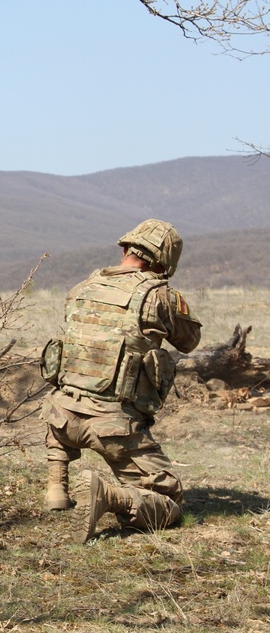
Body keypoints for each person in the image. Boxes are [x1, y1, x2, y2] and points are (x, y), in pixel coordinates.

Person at [38, 219, 202, 543]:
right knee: (169, 502)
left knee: (66, 393)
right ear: (165, 262)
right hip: (112, 428)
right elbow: (189, 340)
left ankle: (56, 485)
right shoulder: (160, 296)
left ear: (126, 249)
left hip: (60, 417)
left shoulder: (83, 287)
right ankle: (110, 498)